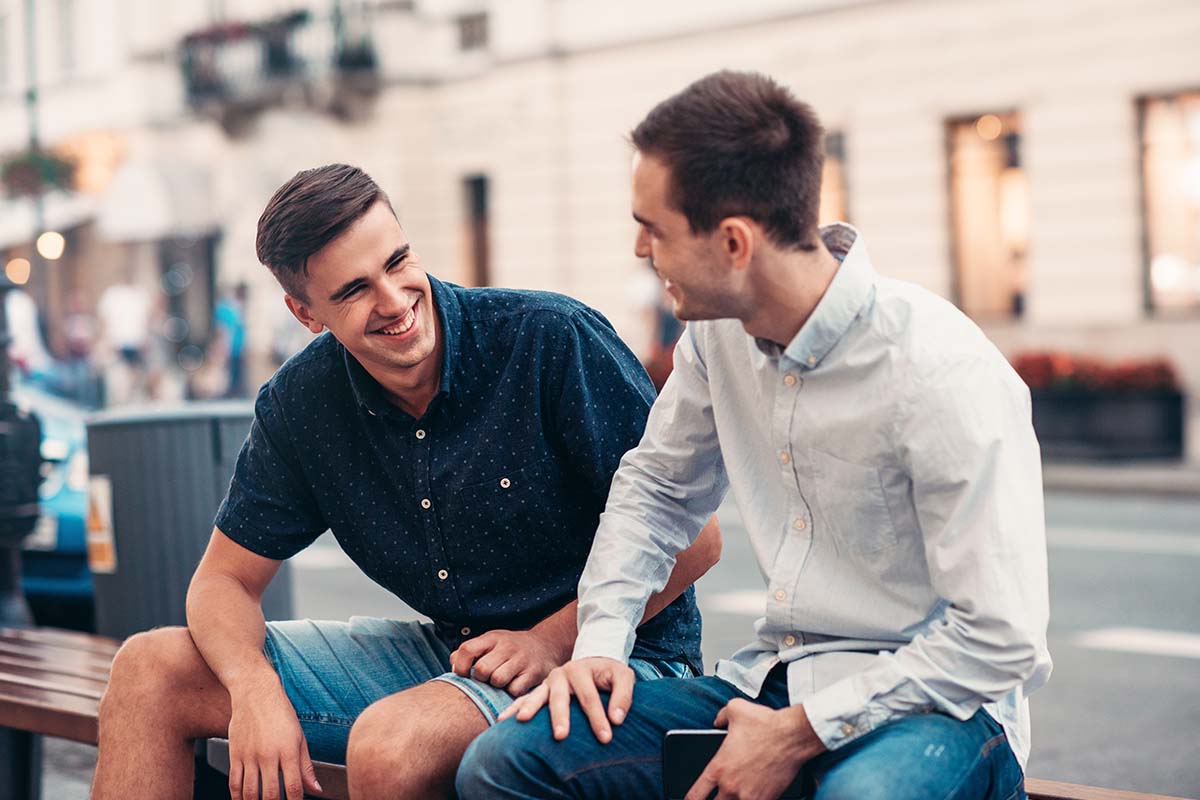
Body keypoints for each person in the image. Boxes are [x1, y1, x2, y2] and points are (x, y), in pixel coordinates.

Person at [456, 70, 1052, 800]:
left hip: (938, 709)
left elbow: (1000, 640)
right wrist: (600, 647)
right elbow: (656, 491)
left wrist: (801, 733)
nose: (641, 250)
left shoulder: (941, 372)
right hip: (774, 681)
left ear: (734, 242)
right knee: (509, 758)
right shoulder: (716, 339)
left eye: (654, 228)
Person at [91, 164, 721, 800]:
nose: (394, 301)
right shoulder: (302, 404)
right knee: (149, 671)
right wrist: (254, 690)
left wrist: (551, 640)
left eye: (398, 262)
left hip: (620, 658)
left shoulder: (548, 339)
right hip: (455, 657)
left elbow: (696, 536)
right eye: (355, 290)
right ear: (305, 313)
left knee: (394, 745)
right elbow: (222, 581)